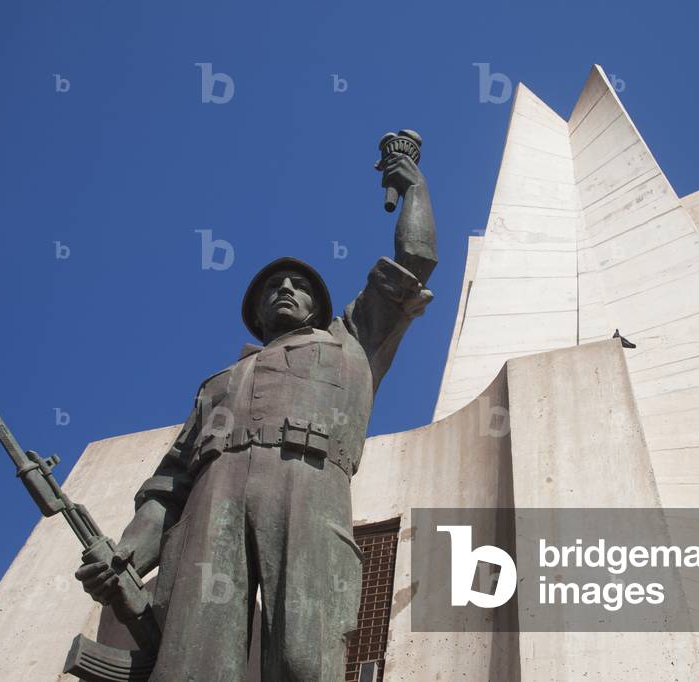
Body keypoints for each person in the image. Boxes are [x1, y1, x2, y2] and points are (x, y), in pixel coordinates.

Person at [75, 151, 436, 681]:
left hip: (308, 488)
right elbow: (169, 486)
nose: (285, 290)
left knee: (305, 658)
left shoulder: (352, 340)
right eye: (273, 287)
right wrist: (126, 555)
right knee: (190, 663)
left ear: (317, 304)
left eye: (298, 285)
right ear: (256, 311)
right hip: (211, 499)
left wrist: (414, 189)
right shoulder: (218, 384)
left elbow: (415, 260)